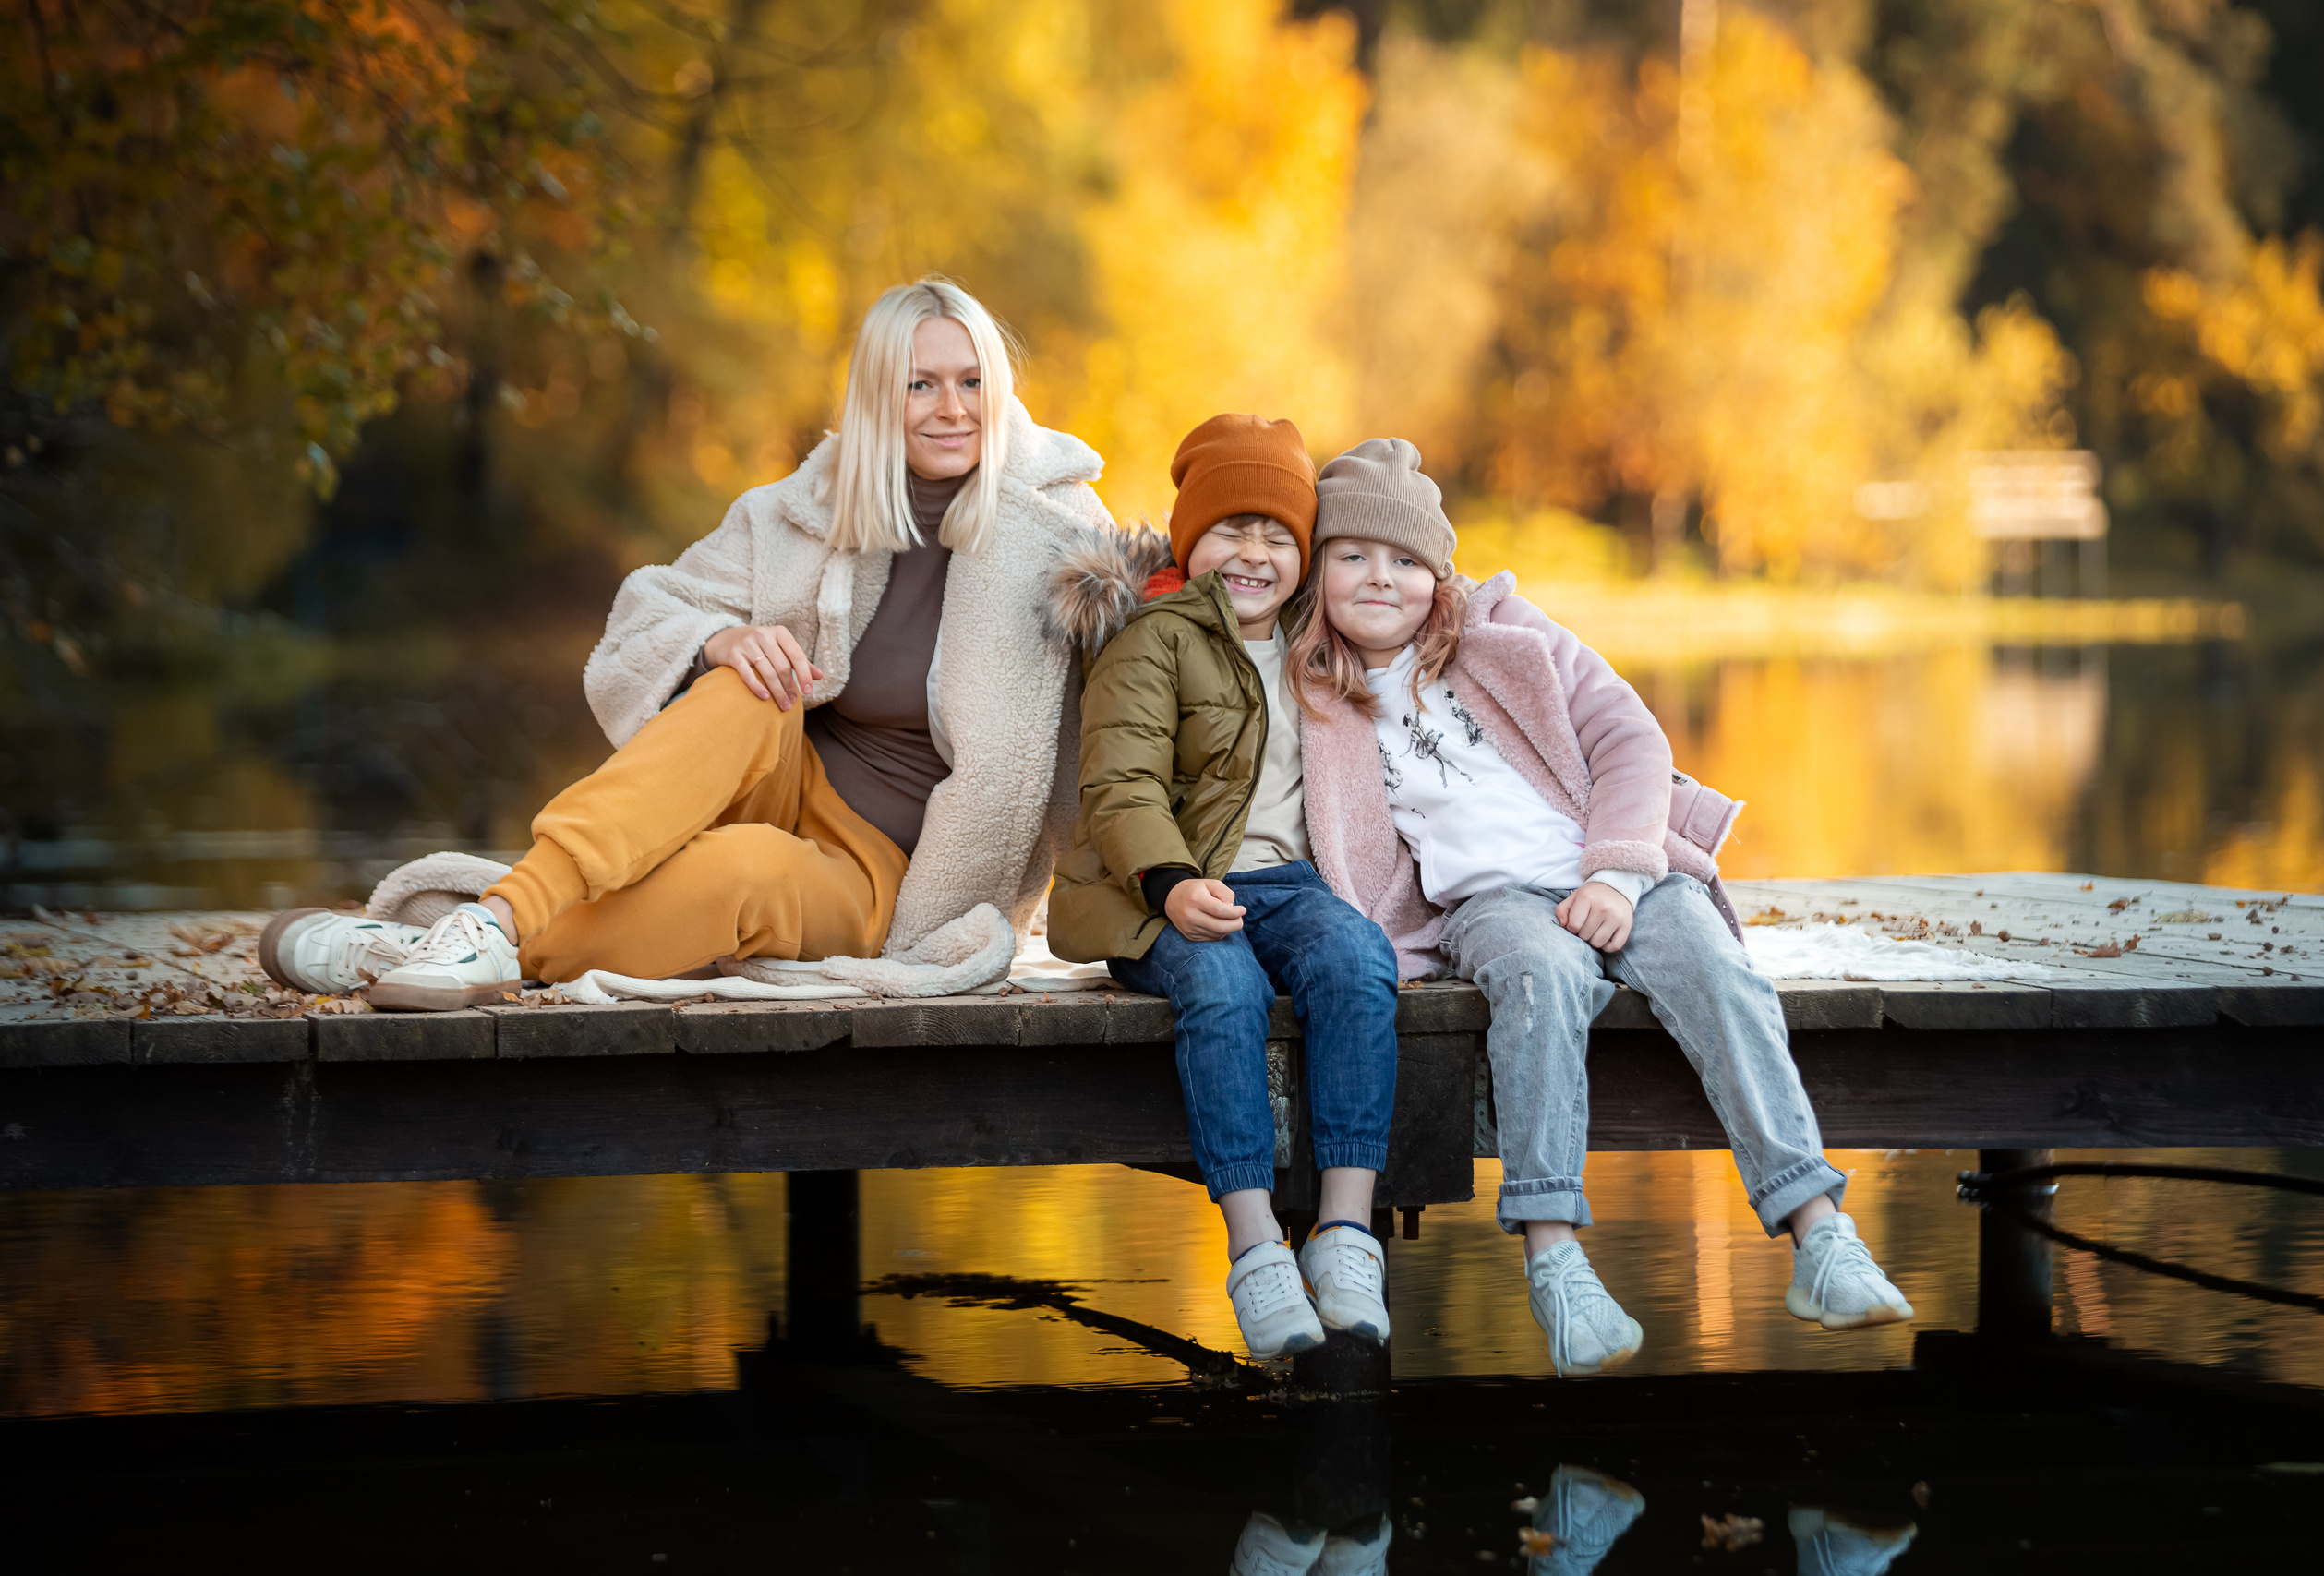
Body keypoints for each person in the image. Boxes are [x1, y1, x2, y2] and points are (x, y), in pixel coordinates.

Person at [257, 277, 1115, 1006]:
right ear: (878, 395)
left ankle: (401, 950)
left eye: (971, 382)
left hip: (890, 878)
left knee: (733, 871)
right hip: (781, 782)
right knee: (750, 679)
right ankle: (493, 923)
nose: (953, 408)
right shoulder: (803, 508)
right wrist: (716, 639)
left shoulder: (1061, 530)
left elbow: (1135, 707)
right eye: (922, 384)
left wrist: (1171, 890)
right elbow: (651, 607)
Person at [1292, 439, 1914, 1377]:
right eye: (1351, 557)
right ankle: (1555, 1259)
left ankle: (1816, 1231)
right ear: (1318, 570)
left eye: (1405, 559)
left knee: (1717, 971)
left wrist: (1618, 874)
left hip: (1616, 864)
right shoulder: (1311, 687)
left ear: (1438, 570)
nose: (1380, 578)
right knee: (1539, 981)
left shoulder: (1509, 633)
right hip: (1487, 904)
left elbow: (1630, 735)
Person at [1045, 414, 1401, 1364]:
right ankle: (1253, 1248)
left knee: (1359, 960)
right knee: (1225, 985)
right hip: (1150, 886)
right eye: (1228, 531)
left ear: (1304, 552)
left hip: (1286, 885)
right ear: (1187, 539)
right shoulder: (1151, 638)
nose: (1252, 553)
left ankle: (1345, 1232)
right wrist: (1168, 883)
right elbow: (1119, 783)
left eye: (1277, 534)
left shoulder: (1313, 637)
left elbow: (1421, 605)